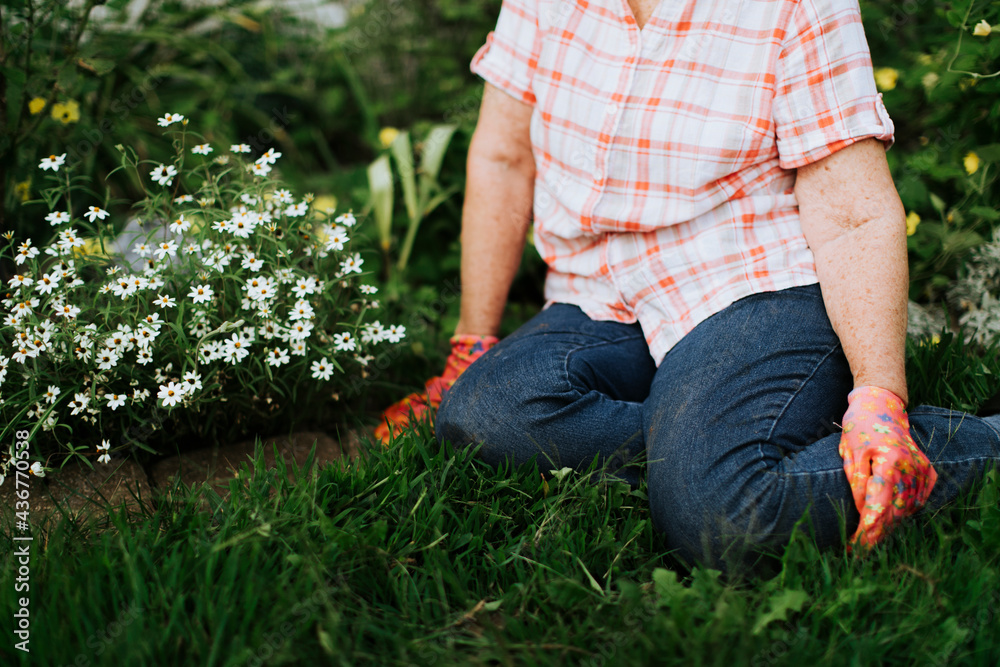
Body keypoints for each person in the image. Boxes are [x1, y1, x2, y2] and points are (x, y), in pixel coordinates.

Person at [375, 0, 1000, 575]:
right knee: (484, 414)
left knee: (725, 522)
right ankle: (711, 449)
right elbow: (503, 158)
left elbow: (852, 212)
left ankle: (976, 443)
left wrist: (878, 397)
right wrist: (471, 342)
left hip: (748, 283)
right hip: (600, 292)